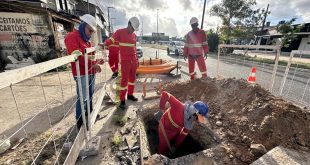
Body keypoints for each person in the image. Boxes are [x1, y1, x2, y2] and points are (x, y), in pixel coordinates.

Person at [64, 14, 104, 129]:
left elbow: (90, 59)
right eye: (89, 30)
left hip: (91, 72)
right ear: (83, 25)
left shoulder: (88, 42)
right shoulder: (72, 37)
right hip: (81, 74)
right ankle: (80, 121)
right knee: (82, 97)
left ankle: (90, 113)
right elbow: (78, 57)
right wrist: (93, 64)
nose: (90, 34)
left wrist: (97, 61)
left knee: (90, 95)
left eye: (92, 32)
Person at [157, 91, 209, 156]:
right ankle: (160, 156)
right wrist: (161, 110)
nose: (202, 119)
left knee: (172, 140)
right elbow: (165, 94)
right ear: (197, 113)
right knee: (163, 145)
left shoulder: (190, 122)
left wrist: (175, 146)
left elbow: (183, 134)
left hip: (175, 130)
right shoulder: (179, 106)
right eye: (202, 116)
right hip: (165, 127)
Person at [103, 17, 140, 109]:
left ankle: (130, 95)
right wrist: (104, 44)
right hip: (125, 61)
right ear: (129, 24)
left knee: (132, 80)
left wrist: (137, 60)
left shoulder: (134, 36)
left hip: (134, 61)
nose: (133, 31)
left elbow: (134, 48)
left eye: (134, 29)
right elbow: (111, 40)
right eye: (132, 28)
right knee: (124, 80)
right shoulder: (119, 32)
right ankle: (122, 99)